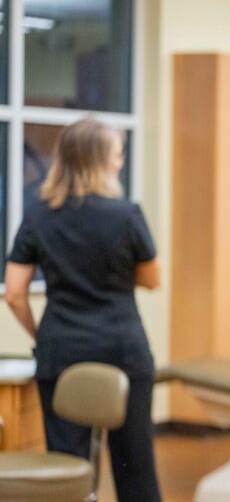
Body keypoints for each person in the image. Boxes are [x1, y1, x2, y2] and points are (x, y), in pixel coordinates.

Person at [4, 118, 162, 502]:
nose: (120, 163)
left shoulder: (38, 214)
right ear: (100, 161)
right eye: (117, 155)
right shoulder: (126, 215)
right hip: (123, 349)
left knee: (65, 471)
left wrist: (41, 336)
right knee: (134, 465)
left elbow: (15, 293)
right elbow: (152, 280)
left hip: (62, 351)